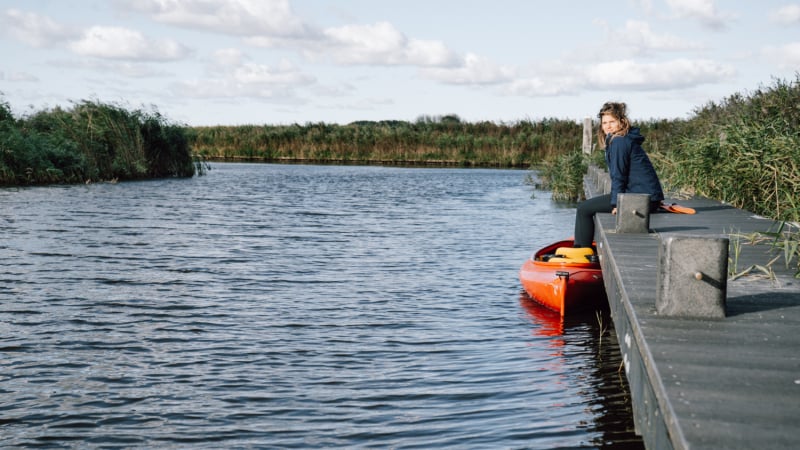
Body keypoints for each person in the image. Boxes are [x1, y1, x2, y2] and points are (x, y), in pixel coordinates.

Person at [573, 102, 664, 248]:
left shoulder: (619, 142)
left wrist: (616, 203)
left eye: (612, 122)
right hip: (645, 196)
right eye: (604, 123)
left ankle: (581, 249)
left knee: (584, 208)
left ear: (622, 122)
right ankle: (584, 243)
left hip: (639, 199)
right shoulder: (622, 139)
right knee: (587, 206)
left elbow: (619, 176)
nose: (608, 126)